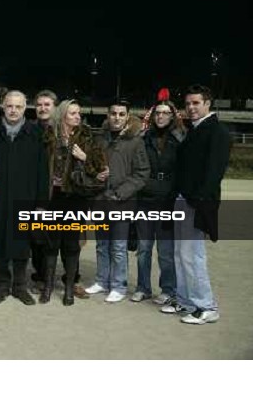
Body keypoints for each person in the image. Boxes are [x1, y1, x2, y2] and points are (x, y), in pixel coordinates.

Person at [160, 84, 230, 324]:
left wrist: (197, 201)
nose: (190, 108)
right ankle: (186, 301)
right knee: (181, 254)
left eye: (196, 103)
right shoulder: (195, 130)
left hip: (195, 203)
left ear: (207, 103)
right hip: (182, 200)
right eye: (188, 103)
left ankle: (206, 306)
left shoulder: (217, 132)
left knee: (193, 256)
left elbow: (213, 174)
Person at [40, 99, 107, 305]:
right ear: (62, 115)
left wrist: (85, 157)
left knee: (71, 245)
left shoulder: (88, 137)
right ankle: (48, 287)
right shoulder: (48, 137)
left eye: (79, 113)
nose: (78, 116)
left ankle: (69, 288)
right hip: (53, 197)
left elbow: (102, 172)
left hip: (76, 198)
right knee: (50, 245)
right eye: (72, 113)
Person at [0, 91, 48, 305]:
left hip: (26, 197)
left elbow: (43, 171)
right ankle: (2, 285)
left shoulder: (35, 134)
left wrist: (40, 204)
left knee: (22, 242)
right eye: (10, 106)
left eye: (18, 107)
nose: (13, 110)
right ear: (3, 106)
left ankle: (20, 287)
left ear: (25, 108)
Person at [85, 100, 150, 302]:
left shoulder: (135, 141)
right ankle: (102, 280)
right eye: (113, 113)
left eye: (122, 114)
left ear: (127, 116)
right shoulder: (99, 139)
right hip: (100, 200)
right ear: (108, 115)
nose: (117, 117)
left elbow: (142, 173)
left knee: (119, 247)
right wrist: (96, 178)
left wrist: (120, 193)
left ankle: (119, 286)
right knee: (102, 244)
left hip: (122, 201)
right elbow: (92, 166)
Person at [131, 90, 185, 304]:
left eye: (165, 113)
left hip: (167, 201)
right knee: (144, 248)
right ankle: (143, 287)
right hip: (145, 199)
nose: (161, 116)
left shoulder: (180, 139)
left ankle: (168, 289)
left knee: (165, 251)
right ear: (153, 116)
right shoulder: (144, 138)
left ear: (172, 116)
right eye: (158, 113)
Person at [30, 89, 57, 289]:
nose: (42, 108)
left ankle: (70, 277)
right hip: (37, 194)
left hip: (59, 193)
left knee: (63, 238)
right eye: (39, 104)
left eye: (47, 104)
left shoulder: (63, 130)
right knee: (37, 238)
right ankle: (41, 275)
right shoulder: (30, 131)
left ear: (55, 107)